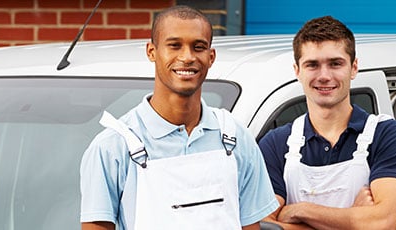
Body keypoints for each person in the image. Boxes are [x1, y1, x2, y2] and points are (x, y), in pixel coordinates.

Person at [79, 5, 278, 230]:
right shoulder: (113, 147)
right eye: (174, 46)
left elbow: (250, 226)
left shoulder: (236, 138)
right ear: (151, 52)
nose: (187, 57)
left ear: (211, 57)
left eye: (198, 47)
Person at [258, 15, 396, 230]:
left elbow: (382, 223)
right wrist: (355, 219)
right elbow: (262, 225)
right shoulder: (276, 143)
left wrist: (301, 210)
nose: (324, 76)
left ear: (354, 68)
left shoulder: (385, 134)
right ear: (297, 71)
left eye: (335, 63)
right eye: (312, 64)